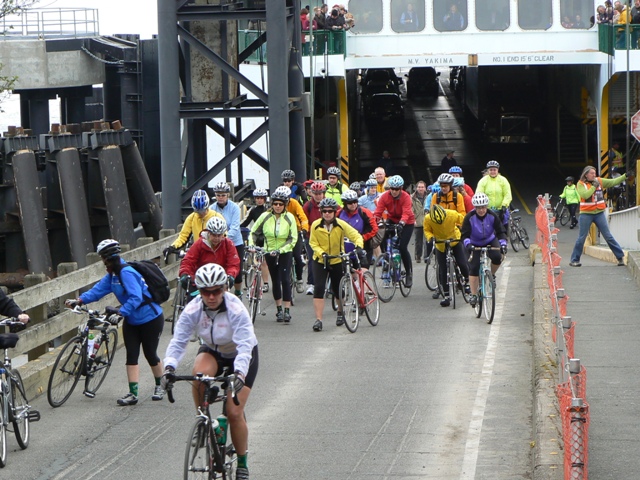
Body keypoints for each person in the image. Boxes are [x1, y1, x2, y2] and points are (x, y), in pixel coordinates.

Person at [162, 263, 258, 480]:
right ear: (200, 291)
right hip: (213, 350)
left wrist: (240, 375)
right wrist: (169, 368)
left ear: (224, 289)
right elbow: (178, 341)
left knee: (234, 412)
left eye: (216, 291)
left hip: (241, 355)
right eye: (206, 292)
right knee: (198, 375)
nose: (211, 296)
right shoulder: (193, 309)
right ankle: (203, 419)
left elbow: (245, 346)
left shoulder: (236, 309)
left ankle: (242, 462)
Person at [66, 239, 165, 405]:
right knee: (131, 355)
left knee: (150, 354)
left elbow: (136, 297)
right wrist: (80, 300)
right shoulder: (113, 275)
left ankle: (160, 385)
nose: (102, 262)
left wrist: (121, 312)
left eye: (102, 258)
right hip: (132, 321)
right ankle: (133, 394)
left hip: (151, 319)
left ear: (106, 258)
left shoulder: (126, 273)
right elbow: (97, 291)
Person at [309, 197, 364, 332]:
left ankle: (340, 312)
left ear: (334, 212)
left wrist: (358, 246)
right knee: (319, 288)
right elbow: (313, 243)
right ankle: (319, 320)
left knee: (338, 289)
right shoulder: (315, 225)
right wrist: (322, 253)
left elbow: (356, 235)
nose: (327, 214)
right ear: (321, 212)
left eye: (330, 211)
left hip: (337, 259)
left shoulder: (340, 224)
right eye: (324, 211)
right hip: (321, 260)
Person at [249, 187, 298, 323]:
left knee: (285, 280)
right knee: (275, 280)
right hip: (269, 251)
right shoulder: (265, 216)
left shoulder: (290, 218)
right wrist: (252, 245)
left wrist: (281, 250)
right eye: (275, 204)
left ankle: (287, 310)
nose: (277, 206)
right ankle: (279, 310)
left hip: (285, 251)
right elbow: (253, 232)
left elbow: (292, 238)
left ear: (285, 205)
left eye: (280, 204)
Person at [569, 166, 627, 267]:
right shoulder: (580, 184)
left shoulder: (598, 181)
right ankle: (574, 260)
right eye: (592, 173)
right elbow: (585, 195)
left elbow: (612, 182)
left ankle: (620, 257)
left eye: (594, 173)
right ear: (586, 175)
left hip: (599, 213)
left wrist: (624, 176)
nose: (594, 175)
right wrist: (593, 187)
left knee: (608, 236)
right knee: (581, 237)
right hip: (586, 214)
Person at [460, 193, 508, 307]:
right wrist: (469, 245)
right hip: (474, 243)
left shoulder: (492, 216)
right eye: (478, 208)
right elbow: (464, 235)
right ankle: (474, 294)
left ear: (486, 206)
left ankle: (492, 275)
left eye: (483, 207)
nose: (481, 210)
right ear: (475, 208)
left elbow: (501, 232)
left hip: (490, 240)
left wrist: (503, 244)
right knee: (474, 267)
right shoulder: (469, 217)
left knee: (497, 257)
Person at [179, 217, 241, 295]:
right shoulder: (199, 244)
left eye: (219, 235)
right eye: (214, 235)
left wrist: (231, 275)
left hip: (219, 280)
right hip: (201, 279)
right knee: (191, 299)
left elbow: (233, 263)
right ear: (208, 233)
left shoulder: (228, 244)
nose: (216, 238)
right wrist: (185, 273)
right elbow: (188, 260)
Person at [373, 175, 416, 288]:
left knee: (402, 247)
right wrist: (376, 222)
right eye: (392, 189)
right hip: (392, 219)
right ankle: (388, 261)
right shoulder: (385, 197)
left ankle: (408, 273)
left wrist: (402, 223)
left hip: (407, 222)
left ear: (401, 189)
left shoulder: (406, 197)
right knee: (383, 239)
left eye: (397, 189)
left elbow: (407, 212)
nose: (394, 191)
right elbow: (378, 212)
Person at [424, 205, 470, 307]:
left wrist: (465, 233)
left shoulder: (452, 214)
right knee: (443, 269)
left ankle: (467, 282)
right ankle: (446, 295)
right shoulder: (427, 218)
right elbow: (427, 230)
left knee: (462, 263)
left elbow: (464, 221)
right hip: (440, 244)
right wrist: (430, 238)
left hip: (454, 240)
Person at [211, 182, 244, 298]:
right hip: (218, 243)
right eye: (218, 195)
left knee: (237, 272)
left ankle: (238, 292)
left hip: (235, 242)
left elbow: (235, 227)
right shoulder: (212, 208)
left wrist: (223, 238)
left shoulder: (234, 207)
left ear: (228, 195)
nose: (220, 197)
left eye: (223, 195)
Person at [164, 190, 223, 256]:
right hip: (199, 252)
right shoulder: (191, 218)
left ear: (207, 207)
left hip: (215, 252)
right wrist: (172, 247)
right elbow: (183, 237)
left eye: (202, 210)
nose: (200, 213)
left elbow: (224, 236)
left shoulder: (216, 216)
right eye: (197, 211)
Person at [279, 185, 309, 294]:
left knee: (297, 256)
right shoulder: (276, 206)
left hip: (296, 231)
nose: (282, 203)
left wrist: (304, 229)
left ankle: (300, 279)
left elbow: (303, 217)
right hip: (281, 234)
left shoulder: (294, 203)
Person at [241, 188, 270, 293]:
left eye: (261, 198)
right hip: (257, 237)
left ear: (265, 199)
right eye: (257, 198)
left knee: (264, 262)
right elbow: (246, 222)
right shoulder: (253, 211)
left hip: (267, 237)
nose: (259, 200)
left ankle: (265, 283)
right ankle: (254, 282)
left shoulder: (269, 209)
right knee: (255, 261)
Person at [338, 189, 378, 264]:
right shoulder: (339, 213)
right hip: (344, 247)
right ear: (345, 203)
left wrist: (362, 237)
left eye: (355, 202)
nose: (353, 204)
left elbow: (374, 228)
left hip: (363, 246)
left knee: (362, 271)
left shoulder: (364, 212)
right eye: (350, 203)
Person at [303, 181, 327, 295]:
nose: (318, 196)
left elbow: (339, 214)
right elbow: (304, 220)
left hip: (327, 236)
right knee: (313, 259)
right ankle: (311, 284)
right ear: (311, 193)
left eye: (320, 193)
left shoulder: (328, 204)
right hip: (312, 236)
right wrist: (309, 230)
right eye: (315, 193)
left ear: (323, 193)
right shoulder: (308, 206)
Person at [475, 160, 513, 226]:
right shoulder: (483, 181)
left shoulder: (503, 180)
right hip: (487, 209)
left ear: (497, 170)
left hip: (501, 209)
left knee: (504, 226)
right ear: (488, 171)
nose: (493, 171)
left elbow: (507, 194)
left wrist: (504, 205)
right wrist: (482, 207)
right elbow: (478, 194)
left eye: (494, 170)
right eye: (491, 170)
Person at [411, 181, 428, 263]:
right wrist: (413, 219)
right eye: (419, 187)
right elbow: (411, 210)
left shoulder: (429, 197)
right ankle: (418, 256)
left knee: (427, 240)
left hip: (427, 221)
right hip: (417, 222)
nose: (420, 189)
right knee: (418, 242)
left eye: (422, 187)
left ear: (425, 188)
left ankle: (426, 257)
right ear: (416, 188)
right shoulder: (412, 198)